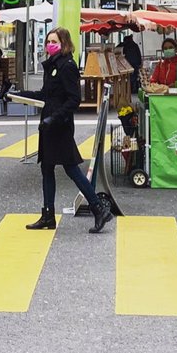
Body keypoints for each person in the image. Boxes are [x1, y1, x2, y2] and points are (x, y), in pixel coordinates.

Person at [17, 27, 112, 234]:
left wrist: (54, 118)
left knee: (71, 169)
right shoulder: (52, 65)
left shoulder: (67, 66)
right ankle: (48, 215)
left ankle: (98, 208)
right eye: (48, 41)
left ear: (64, 44)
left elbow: (74, 99)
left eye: (55, 41)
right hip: (49, 125)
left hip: (59, 126)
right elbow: (45, 94)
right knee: (47, 168)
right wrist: (18, 94)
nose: (50, 45)